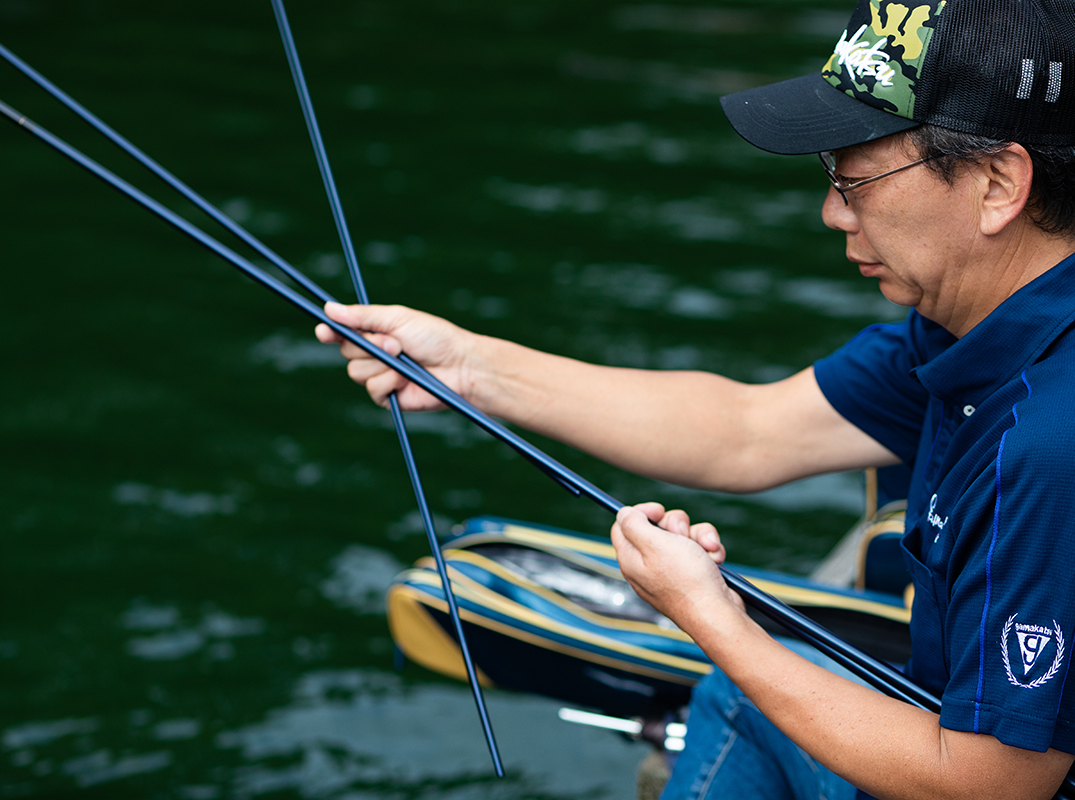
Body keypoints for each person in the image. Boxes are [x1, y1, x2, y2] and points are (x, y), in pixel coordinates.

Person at [317, 0, 1075, 797]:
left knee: (737, 691)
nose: (830, 211)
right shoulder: (975, 327)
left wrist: (711, 619)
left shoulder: (1047, 442)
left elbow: (992, 784)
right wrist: (469, 366)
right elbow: (747, 431)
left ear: (998, 184)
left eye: (858, 179)